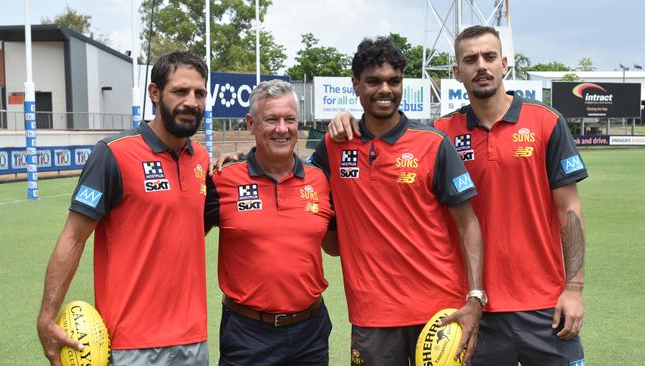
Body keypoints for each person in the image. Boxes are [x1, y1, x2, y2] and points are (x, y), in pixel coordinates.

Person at [330, 26, 588, 366]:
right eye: (470, 59)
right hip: (471, 307)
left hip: (542, 302)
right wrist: (347, 120)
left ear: (504, 63)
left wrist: (574, 289)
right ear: (457, 73)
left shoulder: (546, 122)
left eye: (489, 57)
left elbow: (569, 210)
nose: (481, 66)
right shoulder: (439, 133)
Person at [309, 37, 485, 366]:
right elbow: (288, 176)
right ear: (356, 86)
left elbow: (469, 224)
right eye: (374, 81)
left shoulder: (434, 143)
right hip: (373, 315)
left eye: (394, 81)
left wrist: (475, 297)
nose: (385, 90)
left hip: (438, 313)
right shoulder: (334, 146)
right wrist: (238, 159)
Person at [37, 51, 211, 366]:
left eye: (199, 93)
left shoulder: (201, 159)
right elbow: (74, 237)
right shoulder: (113, 154)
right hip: (131, 345)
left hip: (194, 342)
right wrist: (47, 317)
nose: (192, 101)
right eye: (180, 91)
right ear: (155, 93)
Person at [205, 79, 337, 366]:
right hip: (247, 335)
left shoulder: (320, 180)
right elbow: (180, 236)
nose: (282, 128)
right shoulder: (221, 180)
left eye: (289, 119)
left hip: (310, 333)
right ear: (251, 124)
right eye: (271, 119)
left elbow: (335, 246)